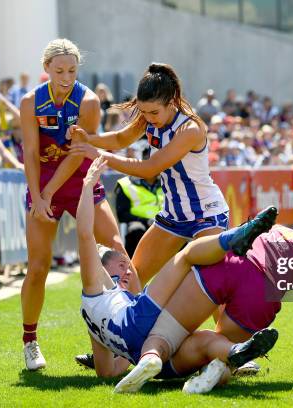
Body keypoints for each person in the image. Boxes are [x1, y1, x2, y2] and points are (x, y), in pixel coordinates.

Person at [77, 157, 278, 393]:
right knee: (187, 256)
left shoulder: (94, 320)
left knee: (205, 341)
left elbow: (107, 372)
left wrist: (134, 360)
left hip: (153, 358)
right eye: (121, 265)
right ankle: (235, 237)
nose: (128, 269)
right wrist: (88, 185)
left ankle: (234, 353)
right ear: (100, 269)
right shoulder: (94, 286)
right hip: (135, 322)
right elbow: (85, 235)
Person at [115, 217, 293, 394]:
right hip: (259, 291)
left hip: (230, 263)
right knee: (218, 349)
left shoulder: (290, 231)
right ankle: (216, 369)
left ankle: (149, 356)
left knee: (166, 331)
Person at [19, 38, 129, 371]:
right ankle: (30, 341)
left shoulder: (90, 101)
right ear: (46, 69)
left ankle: (125, 336)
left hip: (79, 182)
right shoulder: (30, 102)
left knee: (116, 251)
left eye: (72, 70)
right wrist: (38, 196)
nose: (66, 76)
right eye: (59, 70)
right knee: (38, 267)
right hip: (43, 186)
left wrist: (49, 192)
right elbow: (30, 152)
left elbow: (76, 155)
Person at [69, 63, 229, 286]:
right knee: (131, 279)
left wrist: (97, 154)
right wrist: (87, 137)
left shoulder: (190, 129)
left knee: (210, 287)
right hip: (173, 216)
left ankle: (236, 322)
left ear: (171, 102)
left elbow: (149, 168)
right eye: (143, 112)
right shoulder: (148, 118)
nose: (148, 118)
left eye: (154, 112)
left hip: (207, 215)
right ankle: (128, 322)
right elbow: (119, 139)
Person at [114, 165, 164, 257]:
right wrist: (145, 221)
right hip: (138, 222)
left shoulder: (167, 182)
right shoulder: (125, 184)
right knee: (136, 229)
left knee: (180, 234)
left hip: (164, 223)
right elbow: (122, 215)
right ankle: (134, 267)